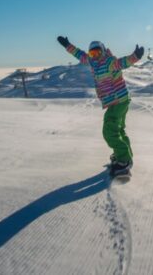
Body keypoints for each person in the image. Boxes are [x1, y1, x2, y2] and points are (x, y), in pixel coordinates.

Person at [57, 36, 143, 177]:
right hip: (118, 101)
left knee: (109, 130)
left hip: (118, 100)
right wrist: (67, 45)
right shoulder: (93, 63)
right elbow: (80, 55)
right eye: (92, 54)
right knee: (118, 129)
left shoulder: (109, 62)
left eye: (97, 52)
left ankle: (124, 160)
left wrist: (135, 56)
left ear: (103, 51)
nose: (95, 56)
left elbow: (122, 63)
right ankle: (124, 157)